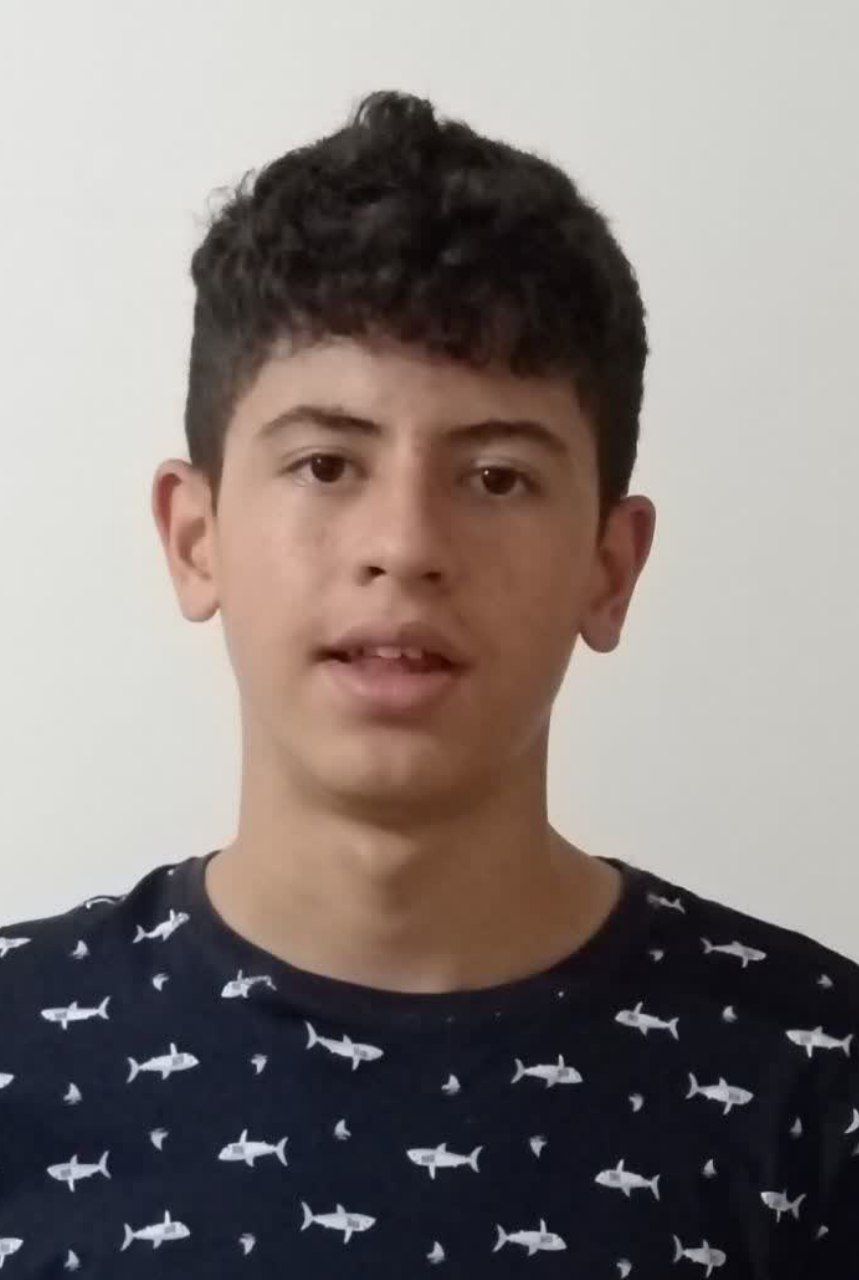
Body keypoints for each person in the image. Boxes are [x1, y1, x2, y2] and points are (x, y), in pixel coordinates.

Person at [1, 89, 856, 1277]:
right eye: (325, 463)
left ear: (609, 569)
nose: (404, 545)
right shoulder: (20, 1049)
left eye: (496, 477)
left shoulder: (815, 1082)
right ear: (196, 537)